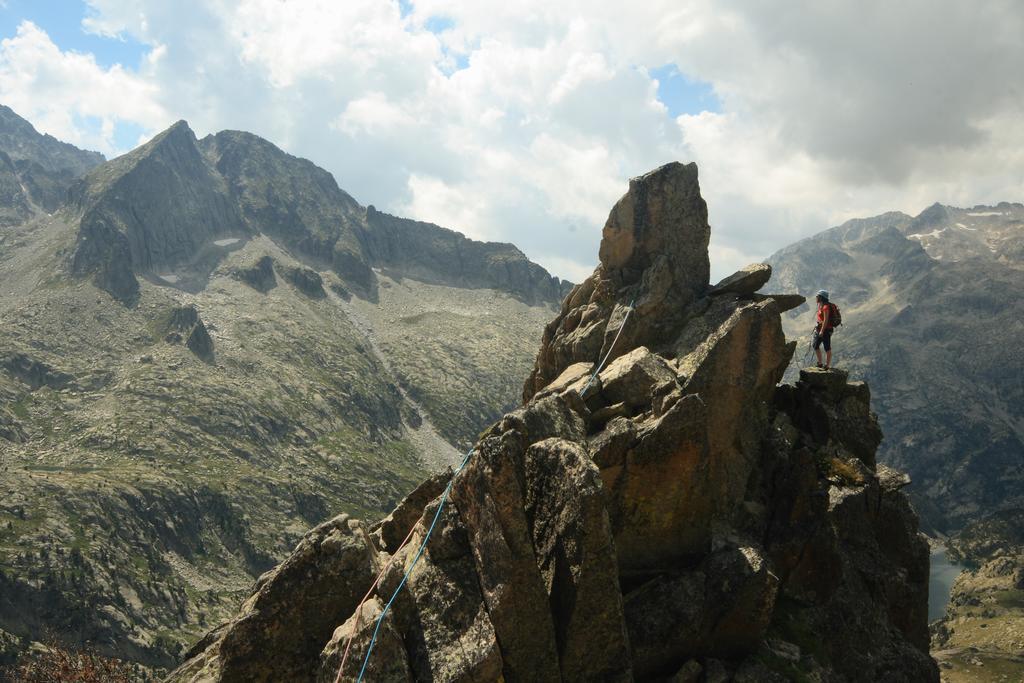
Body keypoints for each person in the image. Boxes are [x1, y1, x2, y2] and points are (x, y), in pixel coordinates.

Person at [813, 289, 835, 369]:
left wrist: (822, 331)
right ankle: (820, 363)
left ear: (821, 297)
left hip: (826, 330)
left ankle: (827, 365)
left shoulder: (825, 307)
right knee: (815, 345)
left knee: (827, 347)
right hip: (820, 329)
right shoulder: (821, 305)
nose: (816, 297)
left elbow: (825, 320)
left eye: (817, 296)